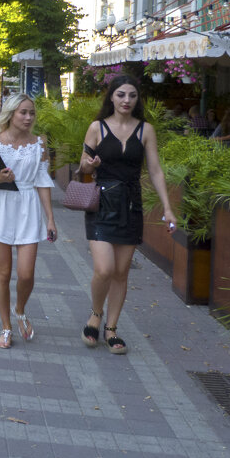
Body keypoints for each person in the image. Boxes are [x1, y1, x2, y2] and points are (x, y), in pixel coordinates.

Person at [78, 75, 177, 354]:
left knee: (121, 272)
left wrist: (167, 207)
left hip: (131, 205)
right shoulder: (96, 128)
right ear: (111, 97)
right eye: (121, 94)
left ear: (137, 99)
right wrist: (90, 162)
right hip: (101, 202)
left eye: (132, 95)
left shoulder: (146, 130)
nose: (126, 100)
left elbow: (155, 170)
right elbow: (83, 167)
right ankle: (95, 314)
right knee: (104, 269)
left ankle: (111, 329)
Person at [0, 94, 57, 348]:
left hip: (29, 207)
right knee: (4, 272)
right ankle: (6, 327)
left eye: (31, 113)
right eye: (23, 113)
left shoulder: (39, 143)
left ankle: (20, 310)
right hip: (2, 207)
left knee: (26, 274)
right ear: (10, 114)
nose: (29, 117)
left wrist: (50, 218)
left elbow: (42, 181)